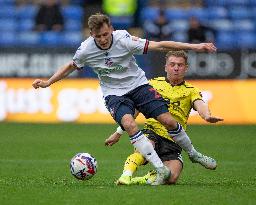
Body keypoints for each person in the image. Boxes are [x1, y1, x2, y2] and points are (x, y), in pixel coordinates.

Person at [32, 13, 216, 185]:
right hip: (114, 94)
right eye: (98, 37)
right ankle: (160, 169)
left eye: (105, 34)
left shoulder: (124, 39)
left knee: (168, 120)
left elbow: (160, 46)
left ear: (111, 29)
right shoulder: (85, 49)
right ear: (91, 35)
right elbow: (71, 66)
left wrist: (195, 46)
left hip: (138, 86)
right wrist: (48, 82)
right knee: (129, 124)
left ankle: (193, 154)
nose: (103, 40)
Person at [105, 50, 223, 185]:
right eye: (172, 64)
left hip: (174, 141)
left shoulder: (191, 90)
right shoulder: (152, 84)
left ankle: (142, 179)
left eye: (180, 65)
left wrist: (207, 116)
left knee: (171, 178)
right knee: (145, 147)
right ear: (166, 67)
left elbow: (200, 104)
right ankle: (126, 175)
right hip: (152, 132)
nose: (176, 68)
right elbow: (135, 111)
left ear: (186, 68)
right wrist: (118, 132)